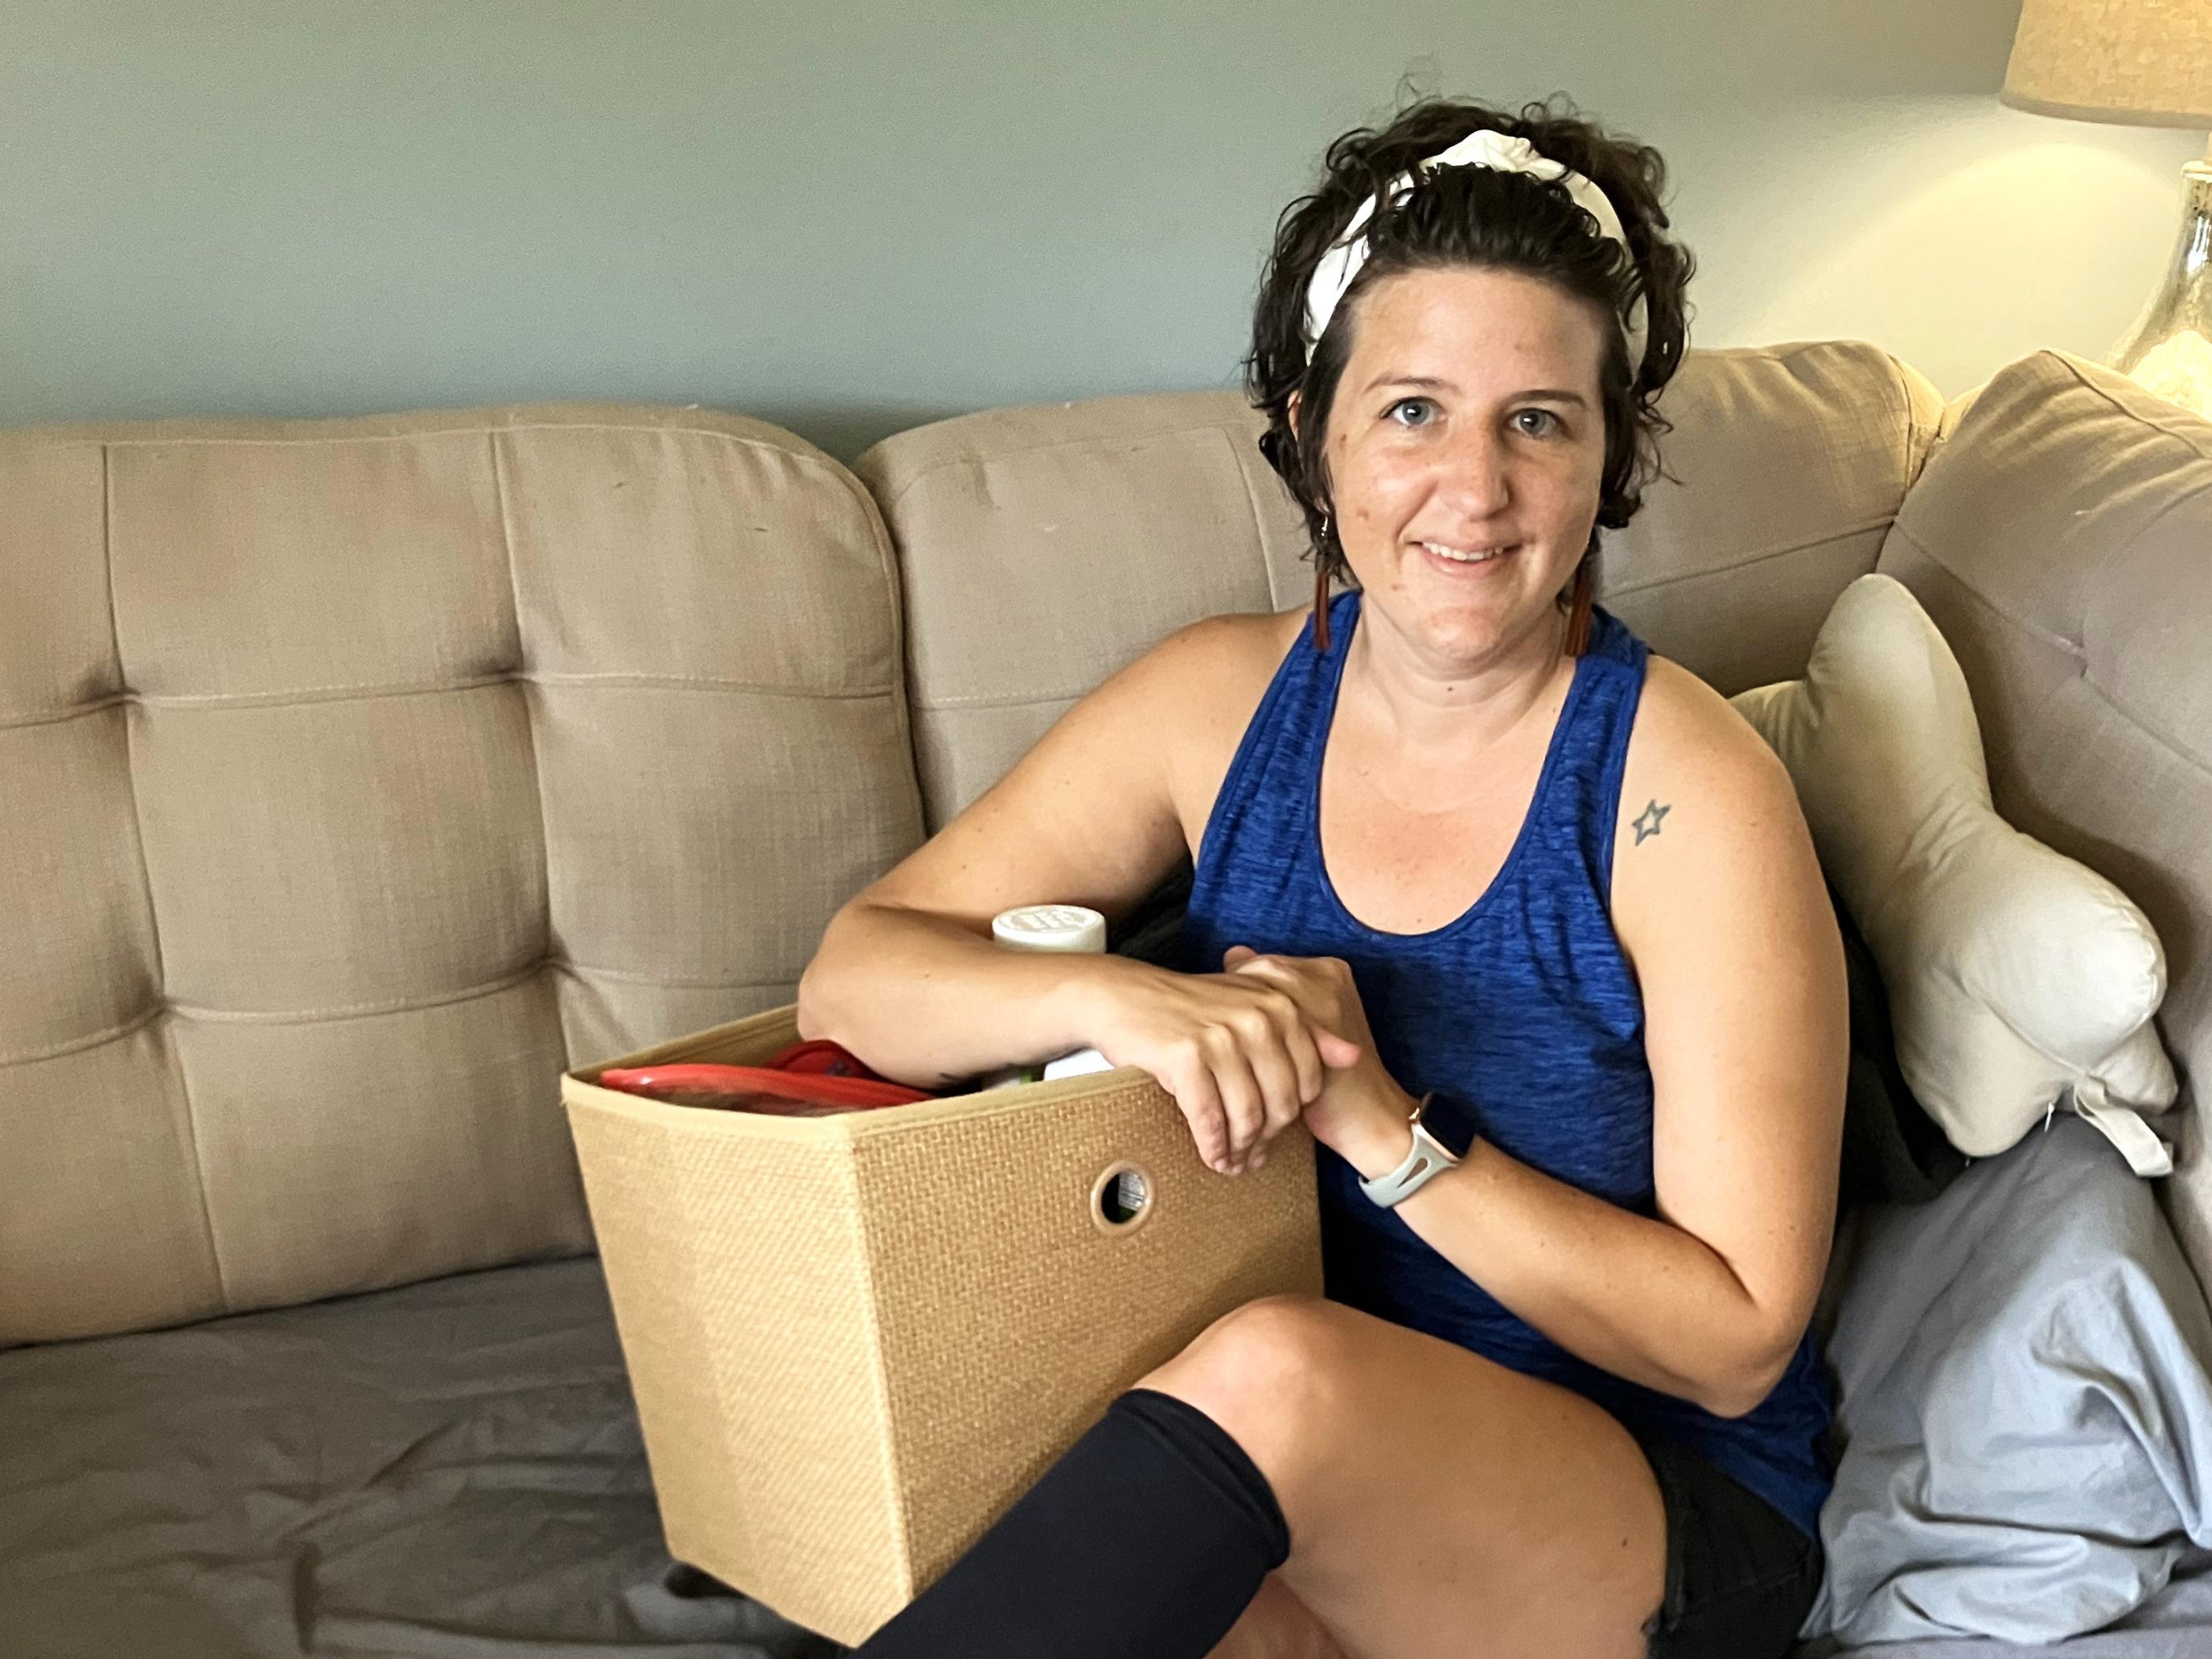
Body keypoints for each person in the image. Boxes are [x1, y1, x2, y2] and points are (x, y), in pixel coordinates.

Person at [797, 93, 1847, 1659]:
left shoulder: (1686, 797)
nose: (1473, 489)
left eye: (1538, 420)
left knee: (1274, 1372)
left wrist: (1377, 1124)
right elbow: (853, 979)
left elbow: (1735, 1347)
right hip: (1289, 1479)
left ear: (1609, 457)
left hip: (1642, 1500)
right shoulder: (1215, 707)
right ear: (1313, 431)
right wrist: (1126, 1001)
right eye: (1413, 410)